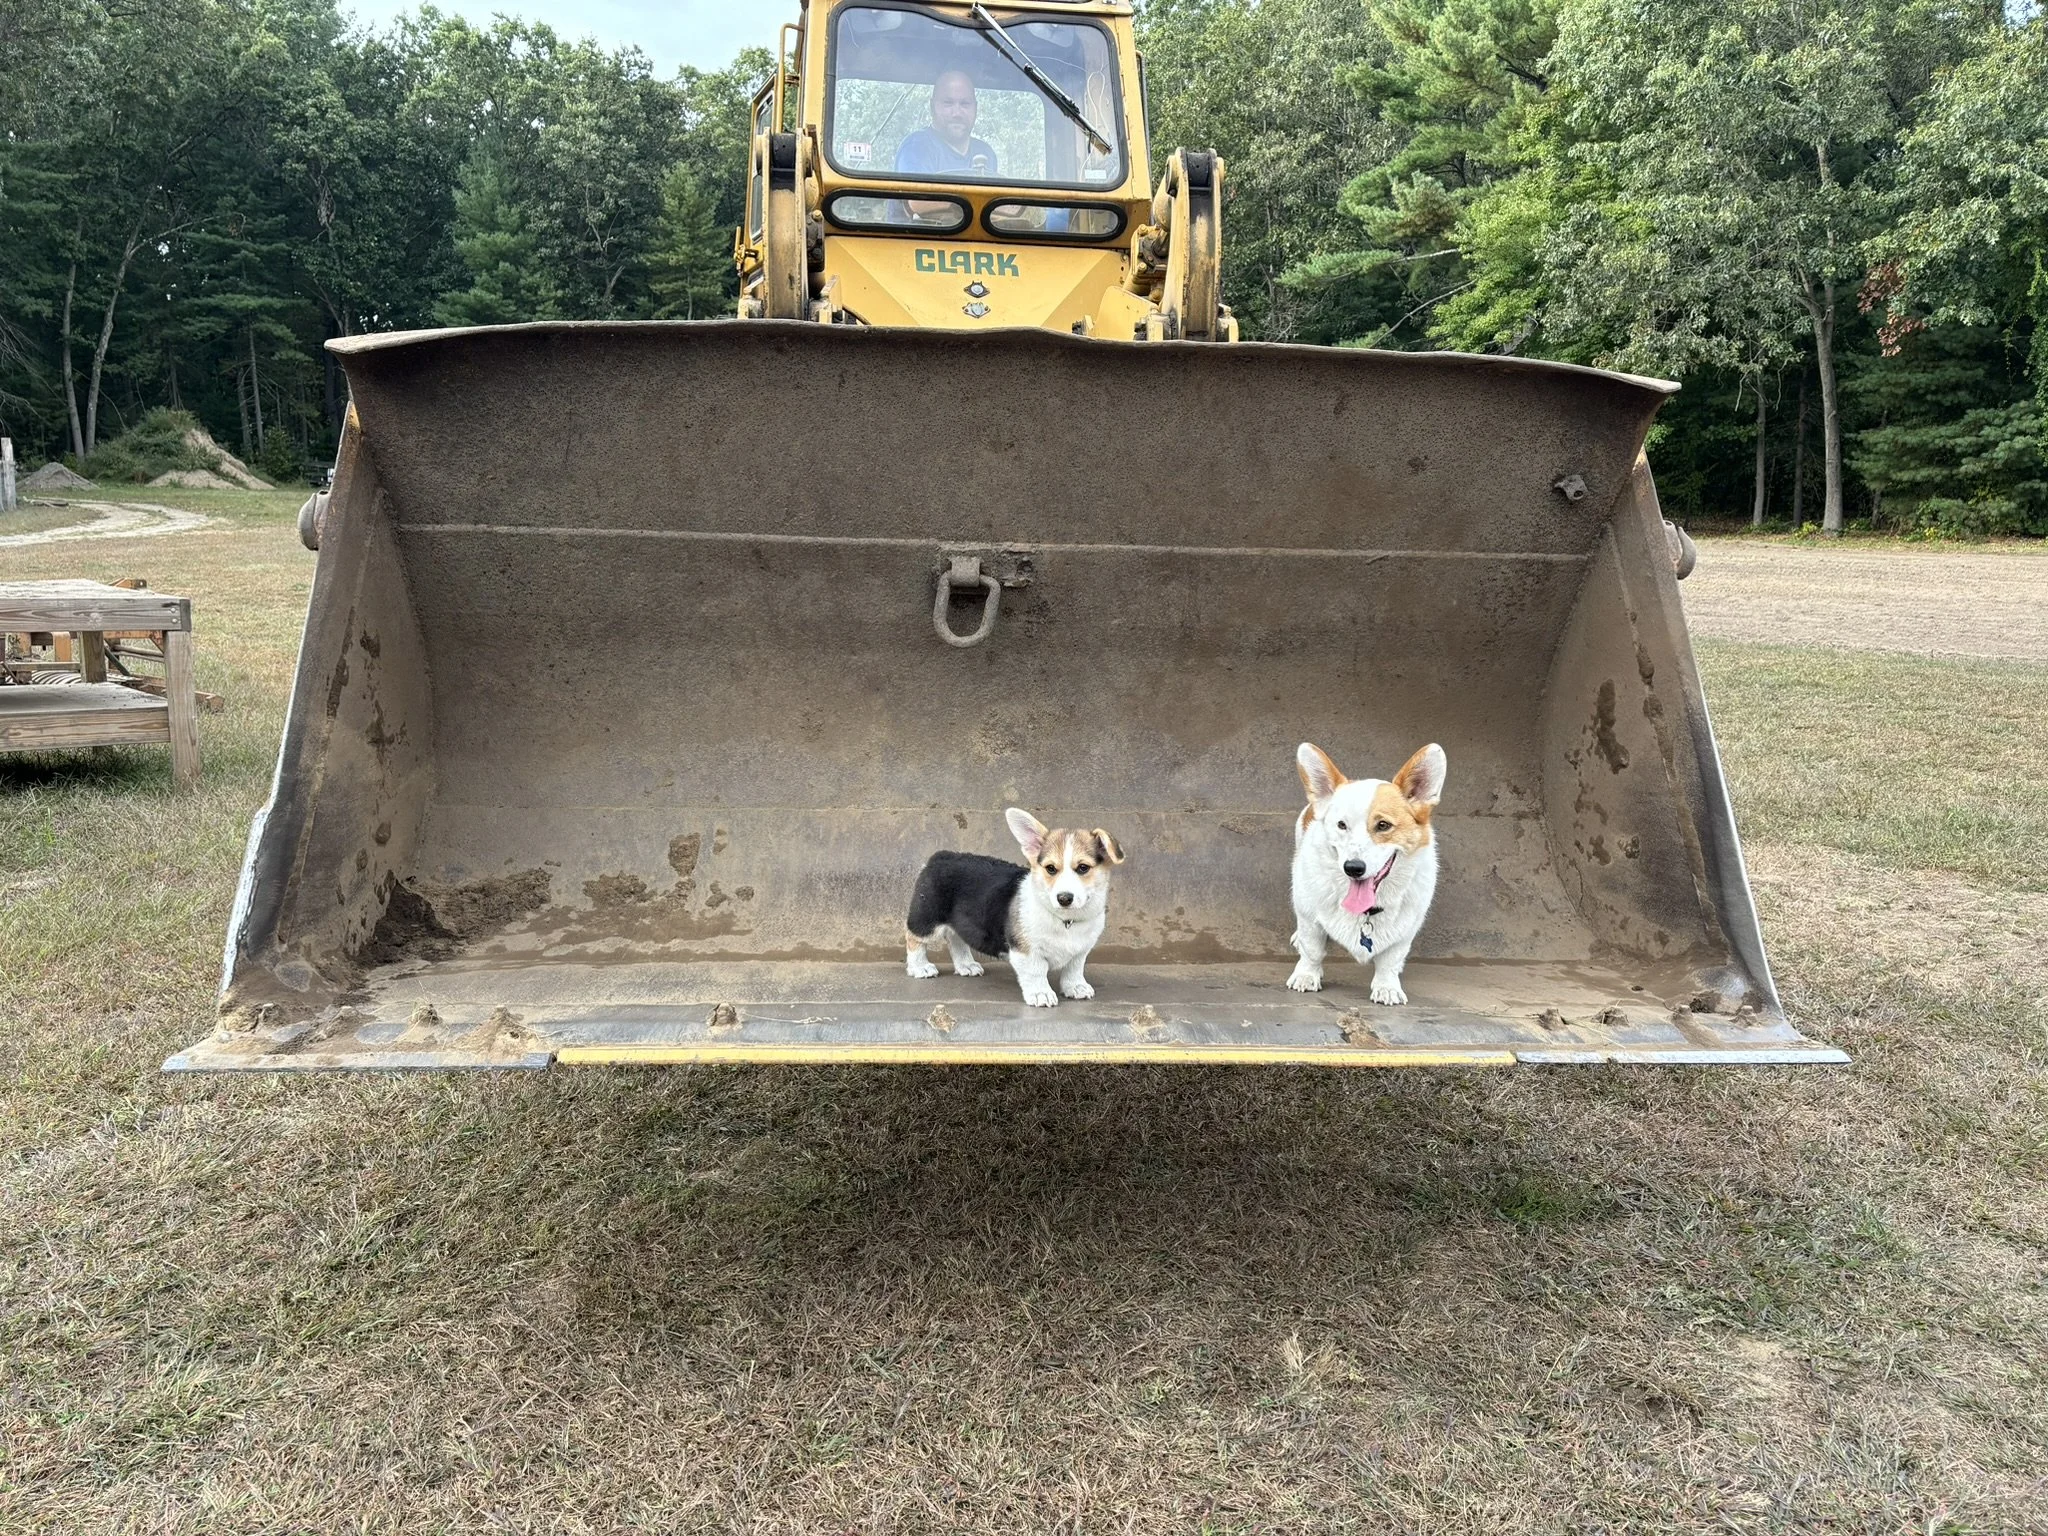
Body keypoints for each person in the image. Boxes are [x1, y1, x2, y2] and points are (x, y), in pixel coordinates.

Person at [895, 70, 998, 180]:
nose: (957, 113)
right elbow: (917, 196)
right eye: (948, 103)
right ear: (932, 107)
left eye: (965, 103)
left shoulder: (986, 153)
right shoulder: (917, 147)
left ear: (976, 108)